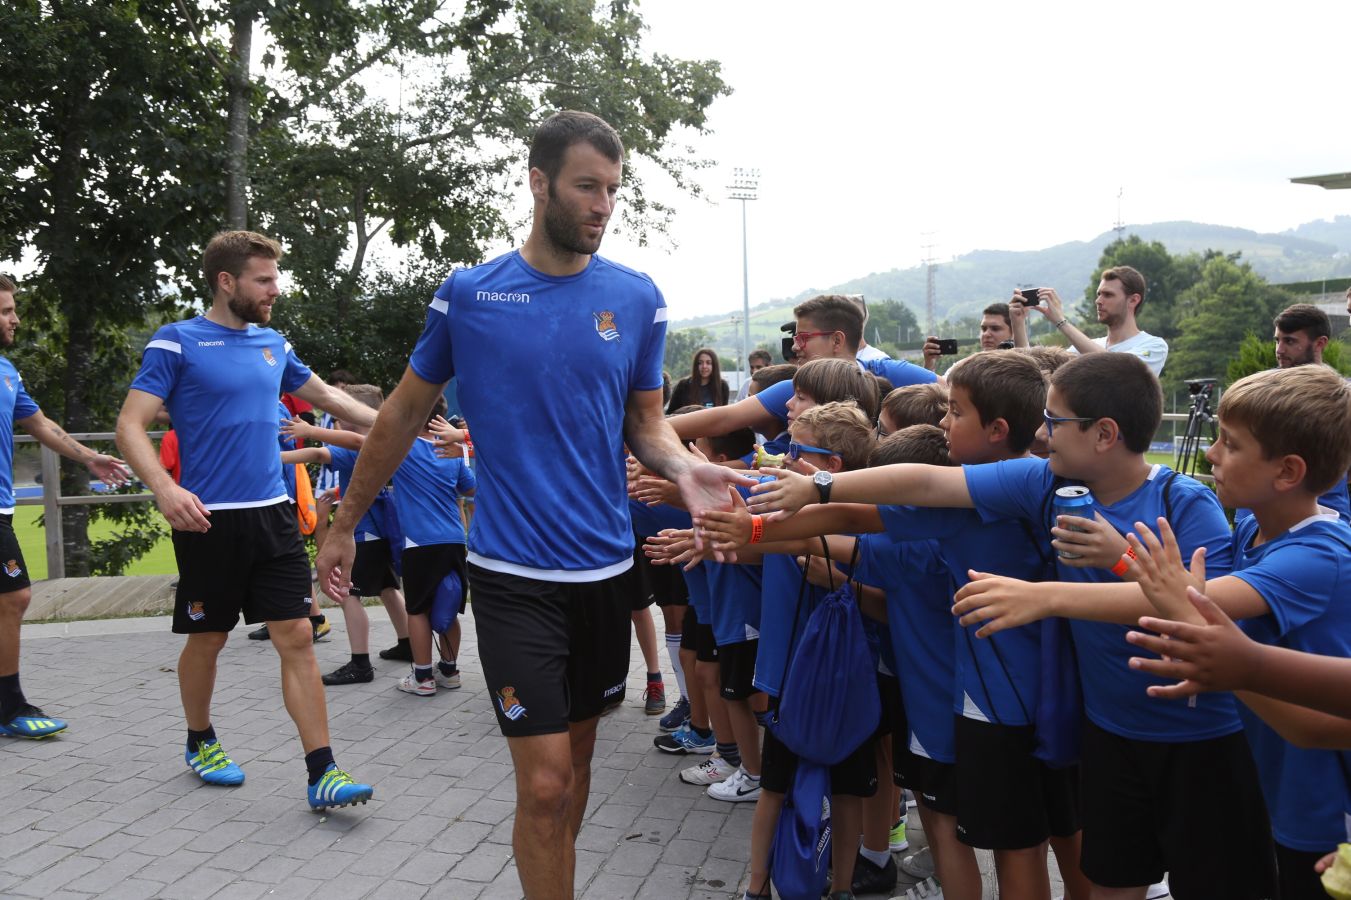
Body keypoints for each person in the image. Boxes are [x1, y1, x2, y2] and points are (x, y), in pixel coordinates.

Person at [313, 110, 749, 899]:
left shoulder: (636, 299)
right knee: (544, 783)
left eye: (613, 191)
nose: (602, 206)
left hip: (605, 577)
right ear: (539, 182)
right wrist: (343, 524)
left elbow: (646, 424)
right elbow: (404, 415)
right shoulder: (470, 294)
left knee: (575, 767)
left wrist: (685, 472)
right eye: (587, 186)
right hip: (513, 580)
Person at [115, 230, 378, 810]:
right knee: (207, 638)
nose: (275, 290)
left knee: (298, 635)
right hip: (207, 521)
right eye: (264, 279)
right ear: (226, 281)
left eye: (275, 278)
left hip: (273, 517)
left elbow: (335, 401)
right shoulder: (176, 342)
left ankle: (322, 772)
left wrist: (393, 425)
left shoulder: (273, 345)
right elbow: (129, 425)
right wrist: (164, 488)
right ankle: (200, 738)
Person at [0, 275, 131, 740]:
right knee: (12, 597)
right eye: (5, 311)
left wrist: (89, 456)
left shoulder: (7, 372)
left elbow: (41, 424)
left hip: (1, 509)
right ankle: (9, 706)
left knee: (9, 598)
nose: (14, 318)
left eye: (12, 308)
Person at [1012, 265, 1169, 377]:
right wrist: (1018, 324)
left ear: (1133, 300)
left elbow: (1115, 368)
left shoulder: (1153, 346)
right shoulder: (1082, 348)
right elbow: (1032, 371)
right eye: (1098, 294)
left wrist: (1061, 321)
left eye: (1108, 295)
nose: (1098, 301)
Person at [920, 302, 1012, 370]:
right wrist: (929, 364)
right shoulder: (962, 368)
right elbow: (933, 392)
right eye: (983, 329)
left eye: (995, 328)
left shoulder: (1021, 369)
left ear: (1013, 332)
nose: (986, 334)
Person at [666, 347, 729, 412]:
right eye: (700, 363)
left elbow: (724, 415)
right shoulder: (683, 385)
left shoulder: (722, 386)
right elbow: (670, 413)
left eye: (708, 363)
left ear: (714, 365)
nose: (704, 366)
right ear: (696, 365)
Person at [1273, 303, 1331, 369]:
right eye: (1277, 341)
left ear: (1319, 343)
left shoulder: (1334, 379)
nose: (1279, 350)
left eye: (1289, 341)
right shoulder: (1265, 379)